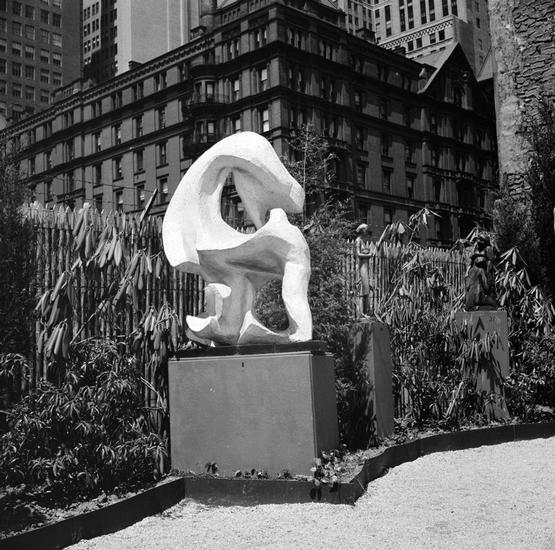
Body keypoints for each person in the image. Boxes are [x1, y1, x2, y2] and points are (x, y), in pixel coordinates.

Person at [355, 223, 373, 316]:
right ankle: (363, 311)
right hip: (362, 267)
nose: (366, 232)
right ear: (362, 231)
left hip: (365, 267)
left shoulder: (362, 241)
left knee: (366, 288)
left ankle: (366, 311)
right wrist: (369, 255)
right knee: (364, 288)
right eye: (365, 230)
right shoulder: (358, 240)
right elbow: (358, 254)